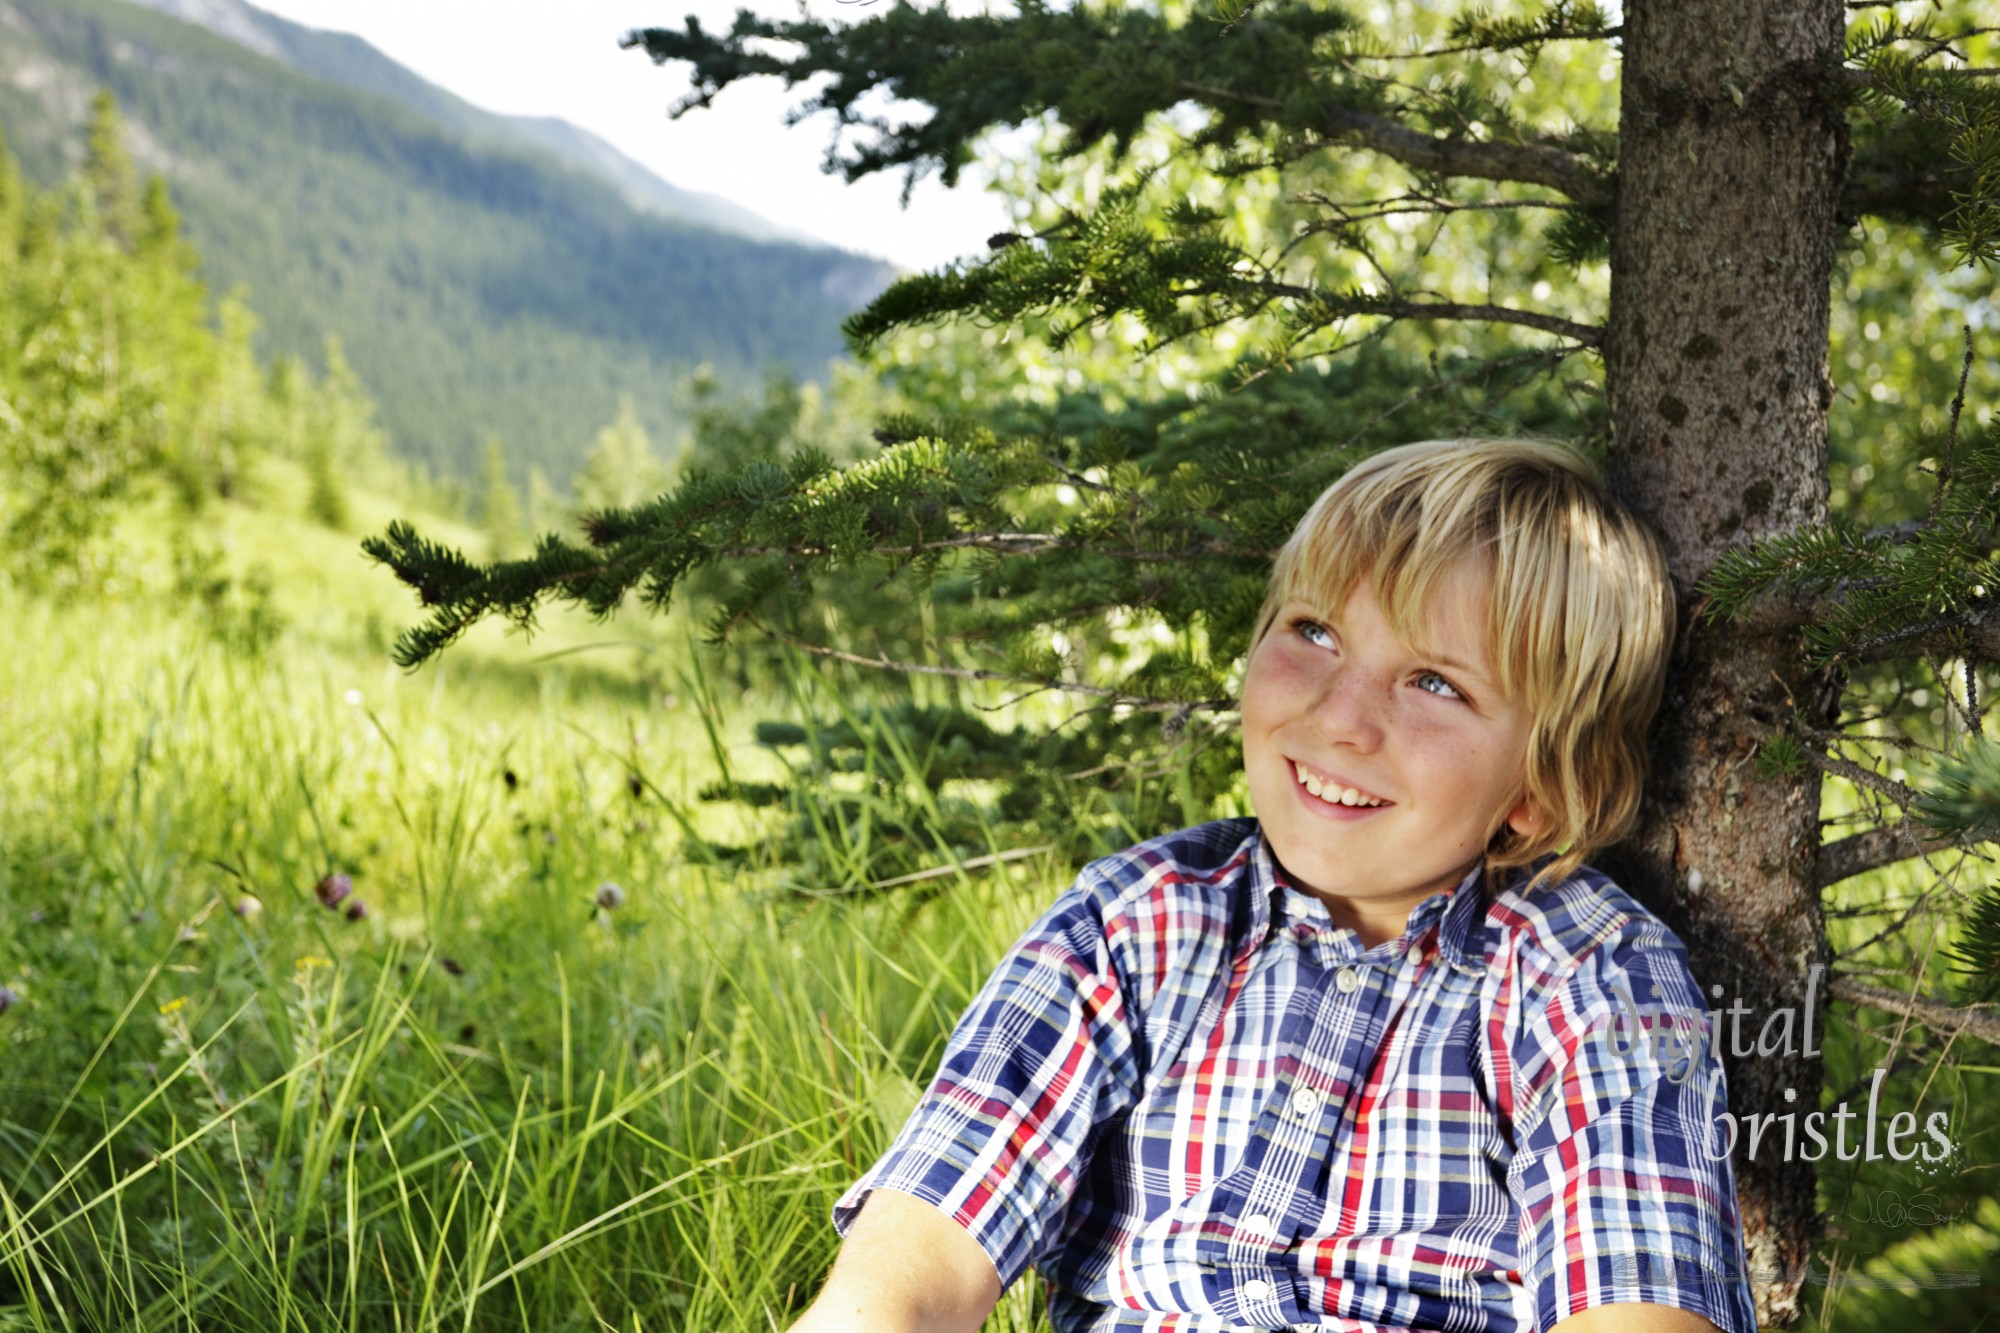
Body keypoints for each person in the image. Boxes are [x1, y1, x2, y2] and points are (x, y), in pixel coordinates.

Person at [789, 439, 1757, 1333]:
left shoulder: (1585, 974)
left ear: (1541, 793)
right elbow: (920, 1247)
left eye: (1433, 684)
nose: (1340, 716)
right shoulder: (1136, 920)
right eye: (1315, 631)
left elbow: (1640, 1303)